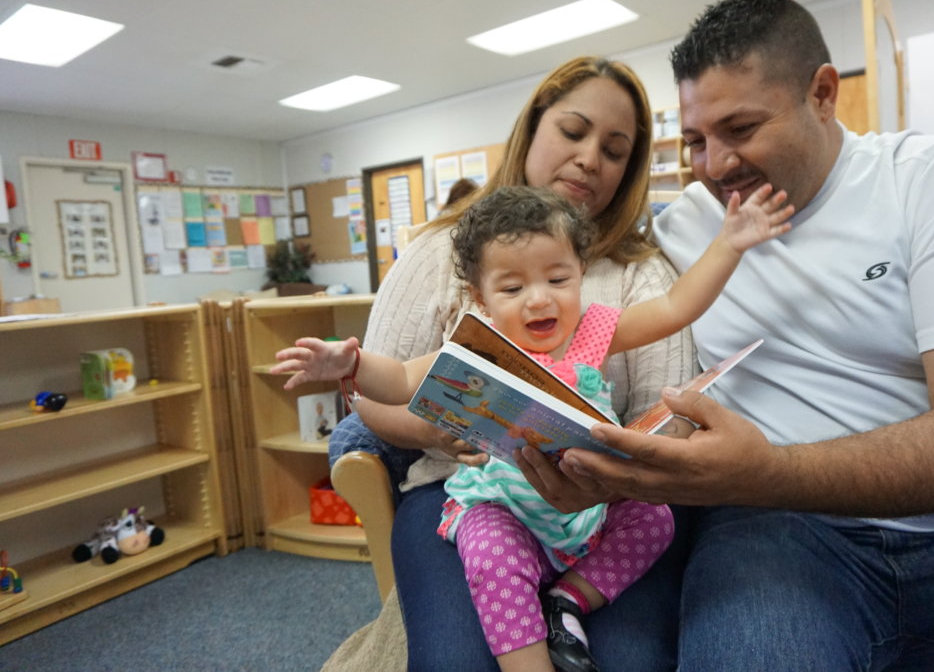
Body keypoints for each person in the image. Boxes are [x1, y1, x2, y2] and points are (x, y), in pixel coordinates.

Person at [522, 0, 934, 669]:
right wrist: (600, 469)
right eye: (695, 140)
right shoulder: (681, 233)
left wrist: (770, 471)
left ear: (823, 94)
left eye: (742, 127)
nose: (715, 165)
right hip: (775, 533)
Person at [273, 183, 790, 671]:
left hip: (589, 508)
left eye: (558, 279)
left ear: (580, 273)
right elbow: (406, 377)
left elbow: (677, 307)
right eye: (513, 286)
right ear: (481, 297)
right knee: (489, 557)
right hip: (506, 507)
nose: (539, 299)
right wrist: (353, 366)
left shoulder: (592, 330)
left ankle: (569, 599)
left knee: (655, 521)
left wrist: (730, 244)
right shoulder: (483, 346)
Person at [324, 56, 698, 671]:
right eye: (573, 132)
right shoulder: (435, 254)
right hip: (466, 493)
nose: (588, 159)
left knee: (630, 662)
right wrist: (440, 426)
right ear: (533, 128)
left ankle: (564, 602)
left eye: (614, 149)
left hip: (603, 503)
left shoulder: (639, 273)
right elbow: (376, 391)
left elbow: (669, 415)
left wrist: (608, 473)